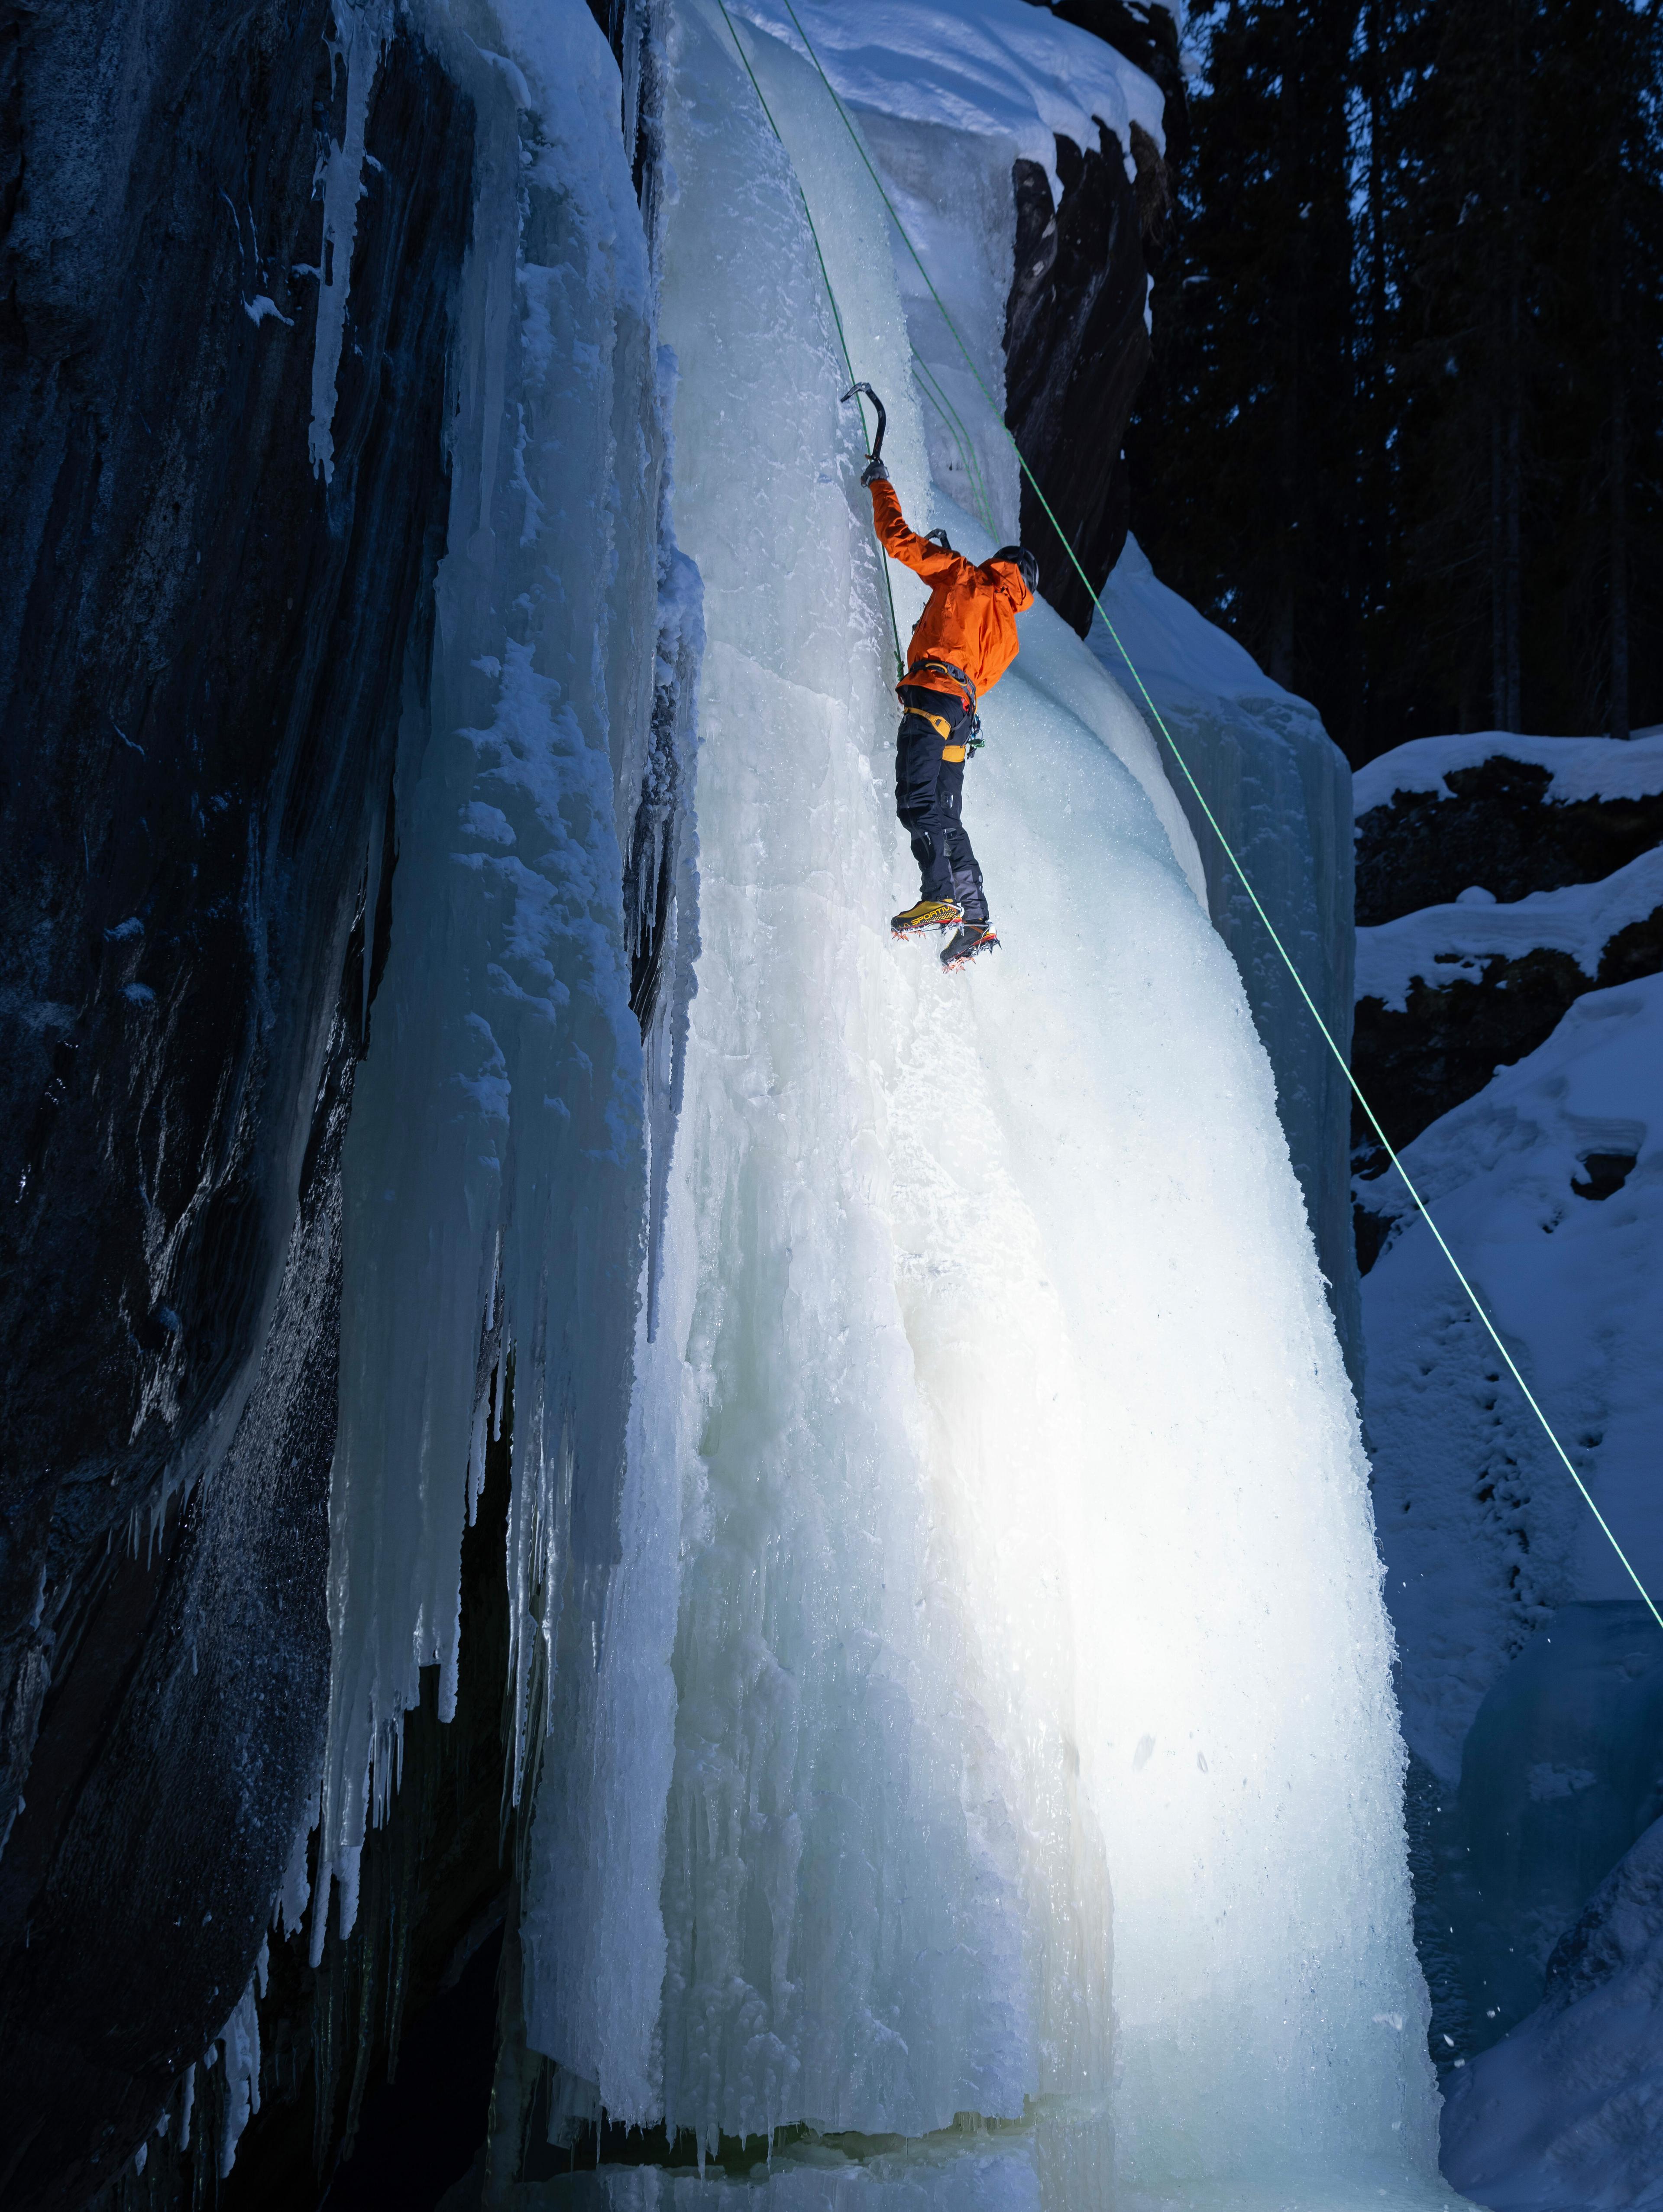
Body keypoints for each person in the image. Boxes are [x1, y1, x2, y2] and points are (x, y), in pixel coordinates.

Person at [862, 451, 1038, 969]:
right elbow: (977, 673)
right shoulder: (1009, 636)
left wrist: (879, 484)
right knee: (945, 814)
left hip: (935, 696)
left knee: (916, 802)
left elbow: (898, 539)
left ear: (999, 563)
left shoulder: (963, 575)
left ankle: (939, 896)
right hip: (961, 715)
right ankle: (976, 921)